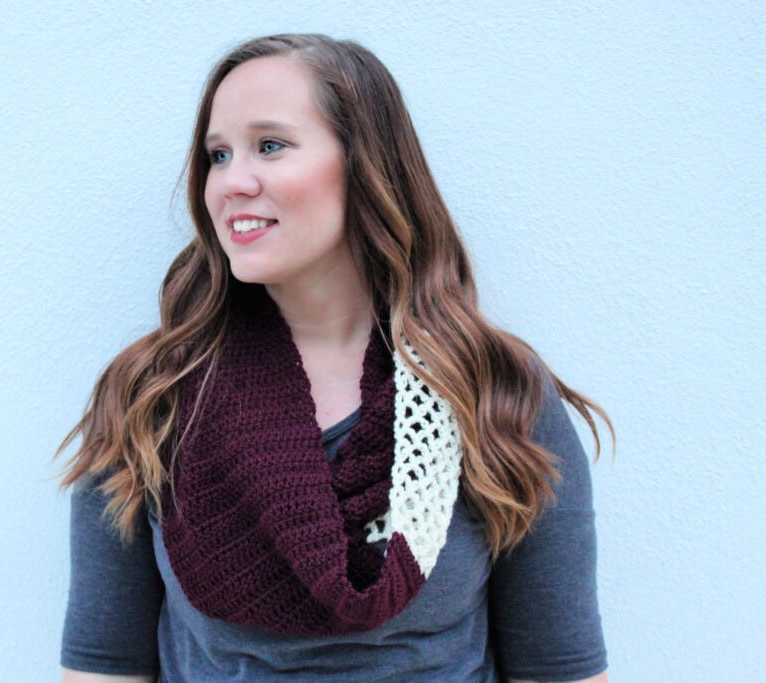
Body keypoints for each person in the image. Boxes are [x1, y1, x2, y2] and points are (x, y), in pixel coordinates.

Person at [58, 34, 611, 682]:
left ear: (365, 163)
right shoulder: (156, 395)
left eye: (269, 145)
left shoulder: (491, 391)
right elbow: (104, 668)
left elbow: (560, 669)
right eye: (217, 154)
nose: (232, 181)